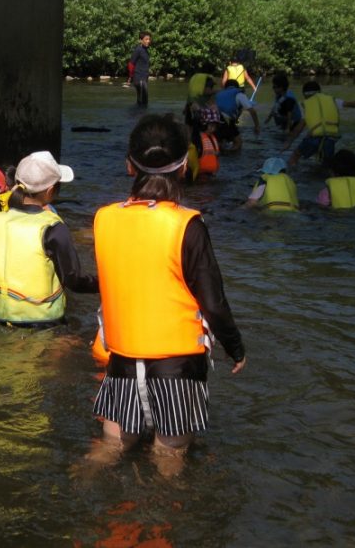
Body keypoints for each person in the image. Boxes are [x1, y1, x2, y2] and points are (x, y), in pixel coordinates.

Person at [90, 114, 245, 475]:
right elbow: (213, 300)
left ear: (130, 165)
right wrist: (235, 347)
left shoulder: (103, 218)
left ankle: (80, 493)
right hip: (177, 369)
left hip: (122, 365)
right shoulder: (188, 225)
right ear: (184, 166)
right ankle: (164, 525)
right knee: (168, 460)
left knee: (109, 449)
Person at [0, 151, 97, 327]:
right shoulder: (53, 227)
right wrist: (103, 283)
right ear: (50, 191)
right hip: (45, 323)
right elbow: (74, 281)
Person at [282, 81, 345, 168]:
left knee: (295, 156)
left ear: (305, 95)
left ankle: (290, 174)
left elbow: (299, 127)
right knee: (327, 164)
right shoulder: (332, 100)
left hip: (314, 139)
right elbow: (352, 104)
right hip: (330, 139)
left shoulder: (306, 105)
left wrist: (289, 141)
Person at [214, 79, 260, 153]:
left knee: (221, 143)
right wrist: (257, 126)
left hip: (214, 121)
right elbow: (252, 111)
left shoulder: (219, 94)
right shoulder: (239, 93)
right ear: (237, 87)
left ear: (226, 87)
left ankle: (222, 156)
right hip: (226, 120)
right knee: (238, 142)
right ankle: (231, 156)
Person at [266, 73, 302, 141]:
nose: (273, 89)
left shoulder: (289, 98)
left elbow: (289, 114)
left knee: (283, 139)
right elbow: (275, 107)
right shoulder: (279, 95)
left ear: (281, 87)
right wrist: (268, 118)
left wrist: (288, 128)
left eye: (274, 87)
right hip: (284, 121)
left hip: (294, 122)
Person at [128, 31, 151, 106]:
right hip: (139, 79)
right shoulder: (138, 50)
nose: (148, 41)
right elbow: (131, 64)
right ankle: (139, 116)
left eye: (149, 39)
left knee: (141, 102)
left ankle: (136, 116)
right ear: (141, 40)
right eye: (146, 39)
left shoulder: (145, 50)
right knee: (143, 102)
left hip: (143, 79)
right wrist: (131, 76)